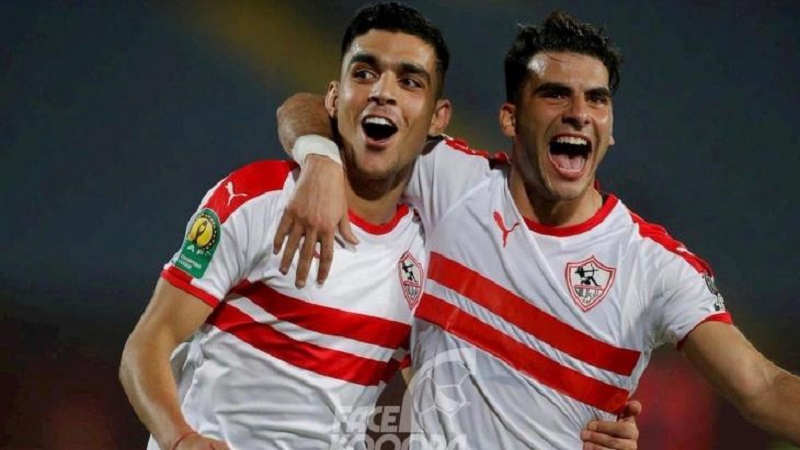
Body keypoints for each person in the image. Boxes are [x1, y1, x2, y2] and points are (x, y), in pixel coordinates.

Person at [119, 4, 640, 449]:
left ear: (438, 119)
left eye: (409, 81)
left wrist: (584, 429)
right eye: (365, 73)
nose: (383, 93)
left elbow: (462, 397)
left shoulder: (423, 252)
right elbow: (146, 345)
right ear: (334, 96)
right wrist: (181, 440)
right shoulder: (259, 199)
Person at [274, 9, 800, 449]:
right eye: (555, 95)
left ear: (610, 128)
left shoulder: (653, 267)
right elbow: (310, 109)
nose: (579, 113)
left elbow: (762, 387)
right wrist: (320, 159)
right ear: (510, 118)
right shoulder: (448, 180)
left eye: (596, 99)